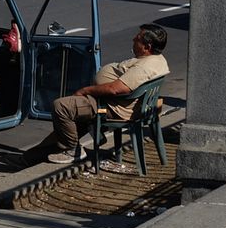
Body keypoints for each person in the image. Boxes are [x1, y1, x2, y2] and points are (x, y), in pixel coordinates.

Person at [44, 23, 170, 164]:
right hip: (115, 102)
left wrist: (85, 90)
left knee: (61, 106)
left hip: (110, 106)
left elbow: (115, 89)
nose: (134, 39)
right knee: (71, 115)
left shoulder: (145, 67)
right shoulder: (157, 59)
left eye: (138, 38)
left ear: (147, 47)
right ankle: (33, 156)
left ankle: (73, 150)